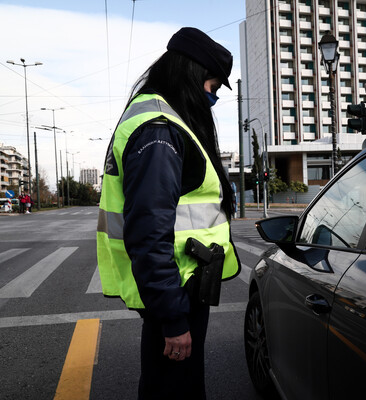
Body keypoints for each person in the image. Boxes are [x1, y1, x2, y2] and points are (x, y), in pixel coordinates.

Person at [96, 27, 240, 399]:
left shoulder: (162, 121)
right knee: (175, 390)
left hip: (181, 286)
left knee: (172, 386)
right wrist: (173, 319)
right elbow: (148, 232)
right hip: (178, 289)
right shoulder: (160, 130)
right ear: (192, 75)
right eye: (213, 85)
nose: (213, 96)